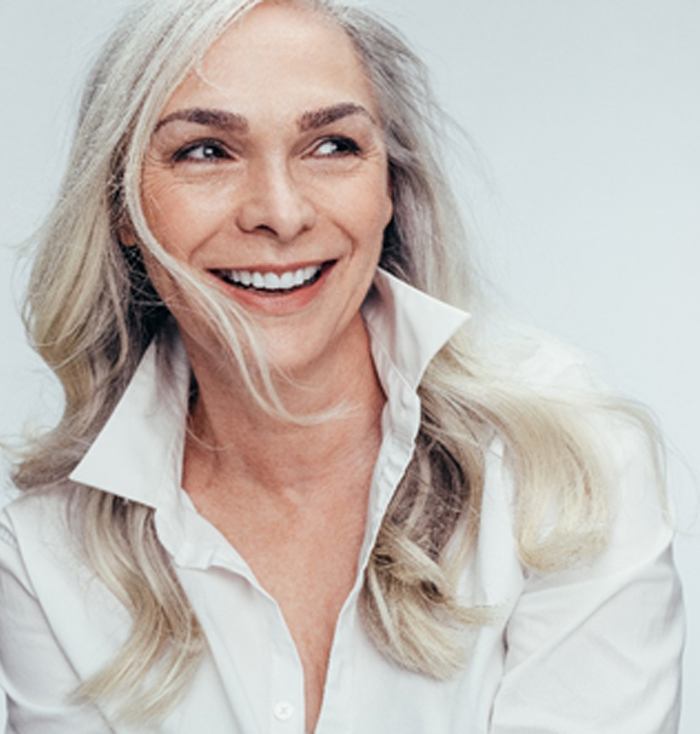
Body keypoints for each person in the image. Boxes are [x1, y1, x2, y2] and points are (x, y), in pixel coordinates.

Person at [0, 0, 684, 732]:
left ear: (390, 188)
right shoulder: (42, 545)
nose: (281, 212)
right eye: (205, 150)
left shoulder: (568, 459)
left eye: (331, 145)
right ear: (124, 210)